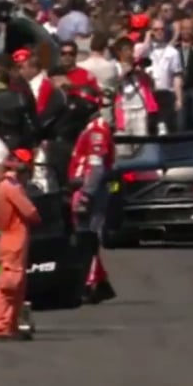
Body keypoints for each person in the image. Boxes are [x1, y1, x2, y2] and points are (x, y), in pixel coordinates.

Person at [0, 149, 40, 341]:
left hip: (8, 238)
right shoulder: (11, 187)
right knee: (9, 284)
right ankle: (1, 327)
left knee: (15, 285)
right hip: (14, 239)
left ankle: (9, 325)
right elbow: (30, 212)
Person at [68, 93, 117, 304]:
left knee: (89, 238)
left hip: (90, 191)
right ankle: (100, 282)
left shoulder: (97, 131)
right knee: (86, 238)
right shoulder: (91, 128)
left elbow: (96, 168)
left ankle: (89, 285)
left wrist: (86, 194)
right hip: (85, 189)